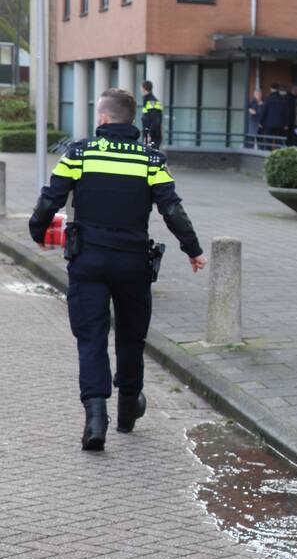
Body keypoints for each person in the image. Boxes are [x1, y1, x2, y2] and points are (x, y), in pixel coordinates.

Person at [28, 88, 208, 451]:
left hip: (88, 260)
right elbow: (171, 208)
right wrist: (193, 249)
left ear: (103, 118)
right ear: (131, 119)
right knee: (130, 335)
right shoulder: (150, 159)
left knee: (91, 338)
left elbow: (52, 196)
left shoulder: (79, 153)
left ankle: (96, 419)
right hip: (132, 262)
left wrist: (37, 230)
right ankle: (128, 409)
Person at [140, 80, 163, 149]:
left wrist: (149, 134)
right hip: (149, 135)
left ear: (143, 88)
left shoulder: (151, 101)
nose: (140, 90)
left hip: (152, 136)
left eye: (141, 88)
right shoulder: (147, 100)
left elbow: (155, 120)